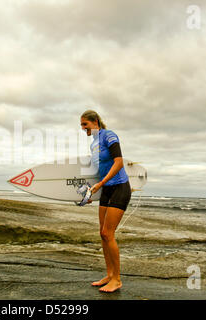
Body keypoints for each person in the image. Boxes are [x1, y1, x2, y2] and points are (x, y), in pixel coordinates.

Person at [80, 110, 131, 293]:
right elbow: (98, 170)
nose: (83, 128)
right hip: (106, 190)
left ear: (95, 122)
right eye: (81, 125)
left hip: (119, 187)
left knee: (108, 233)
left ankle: (117, 279)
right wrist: (92, 192)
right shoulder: (93, 144)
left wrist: (101, 183)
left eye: (85, 124)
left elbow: (119, 162)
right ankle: (109, 275)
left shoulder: (108, 135)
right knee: (102, 234)